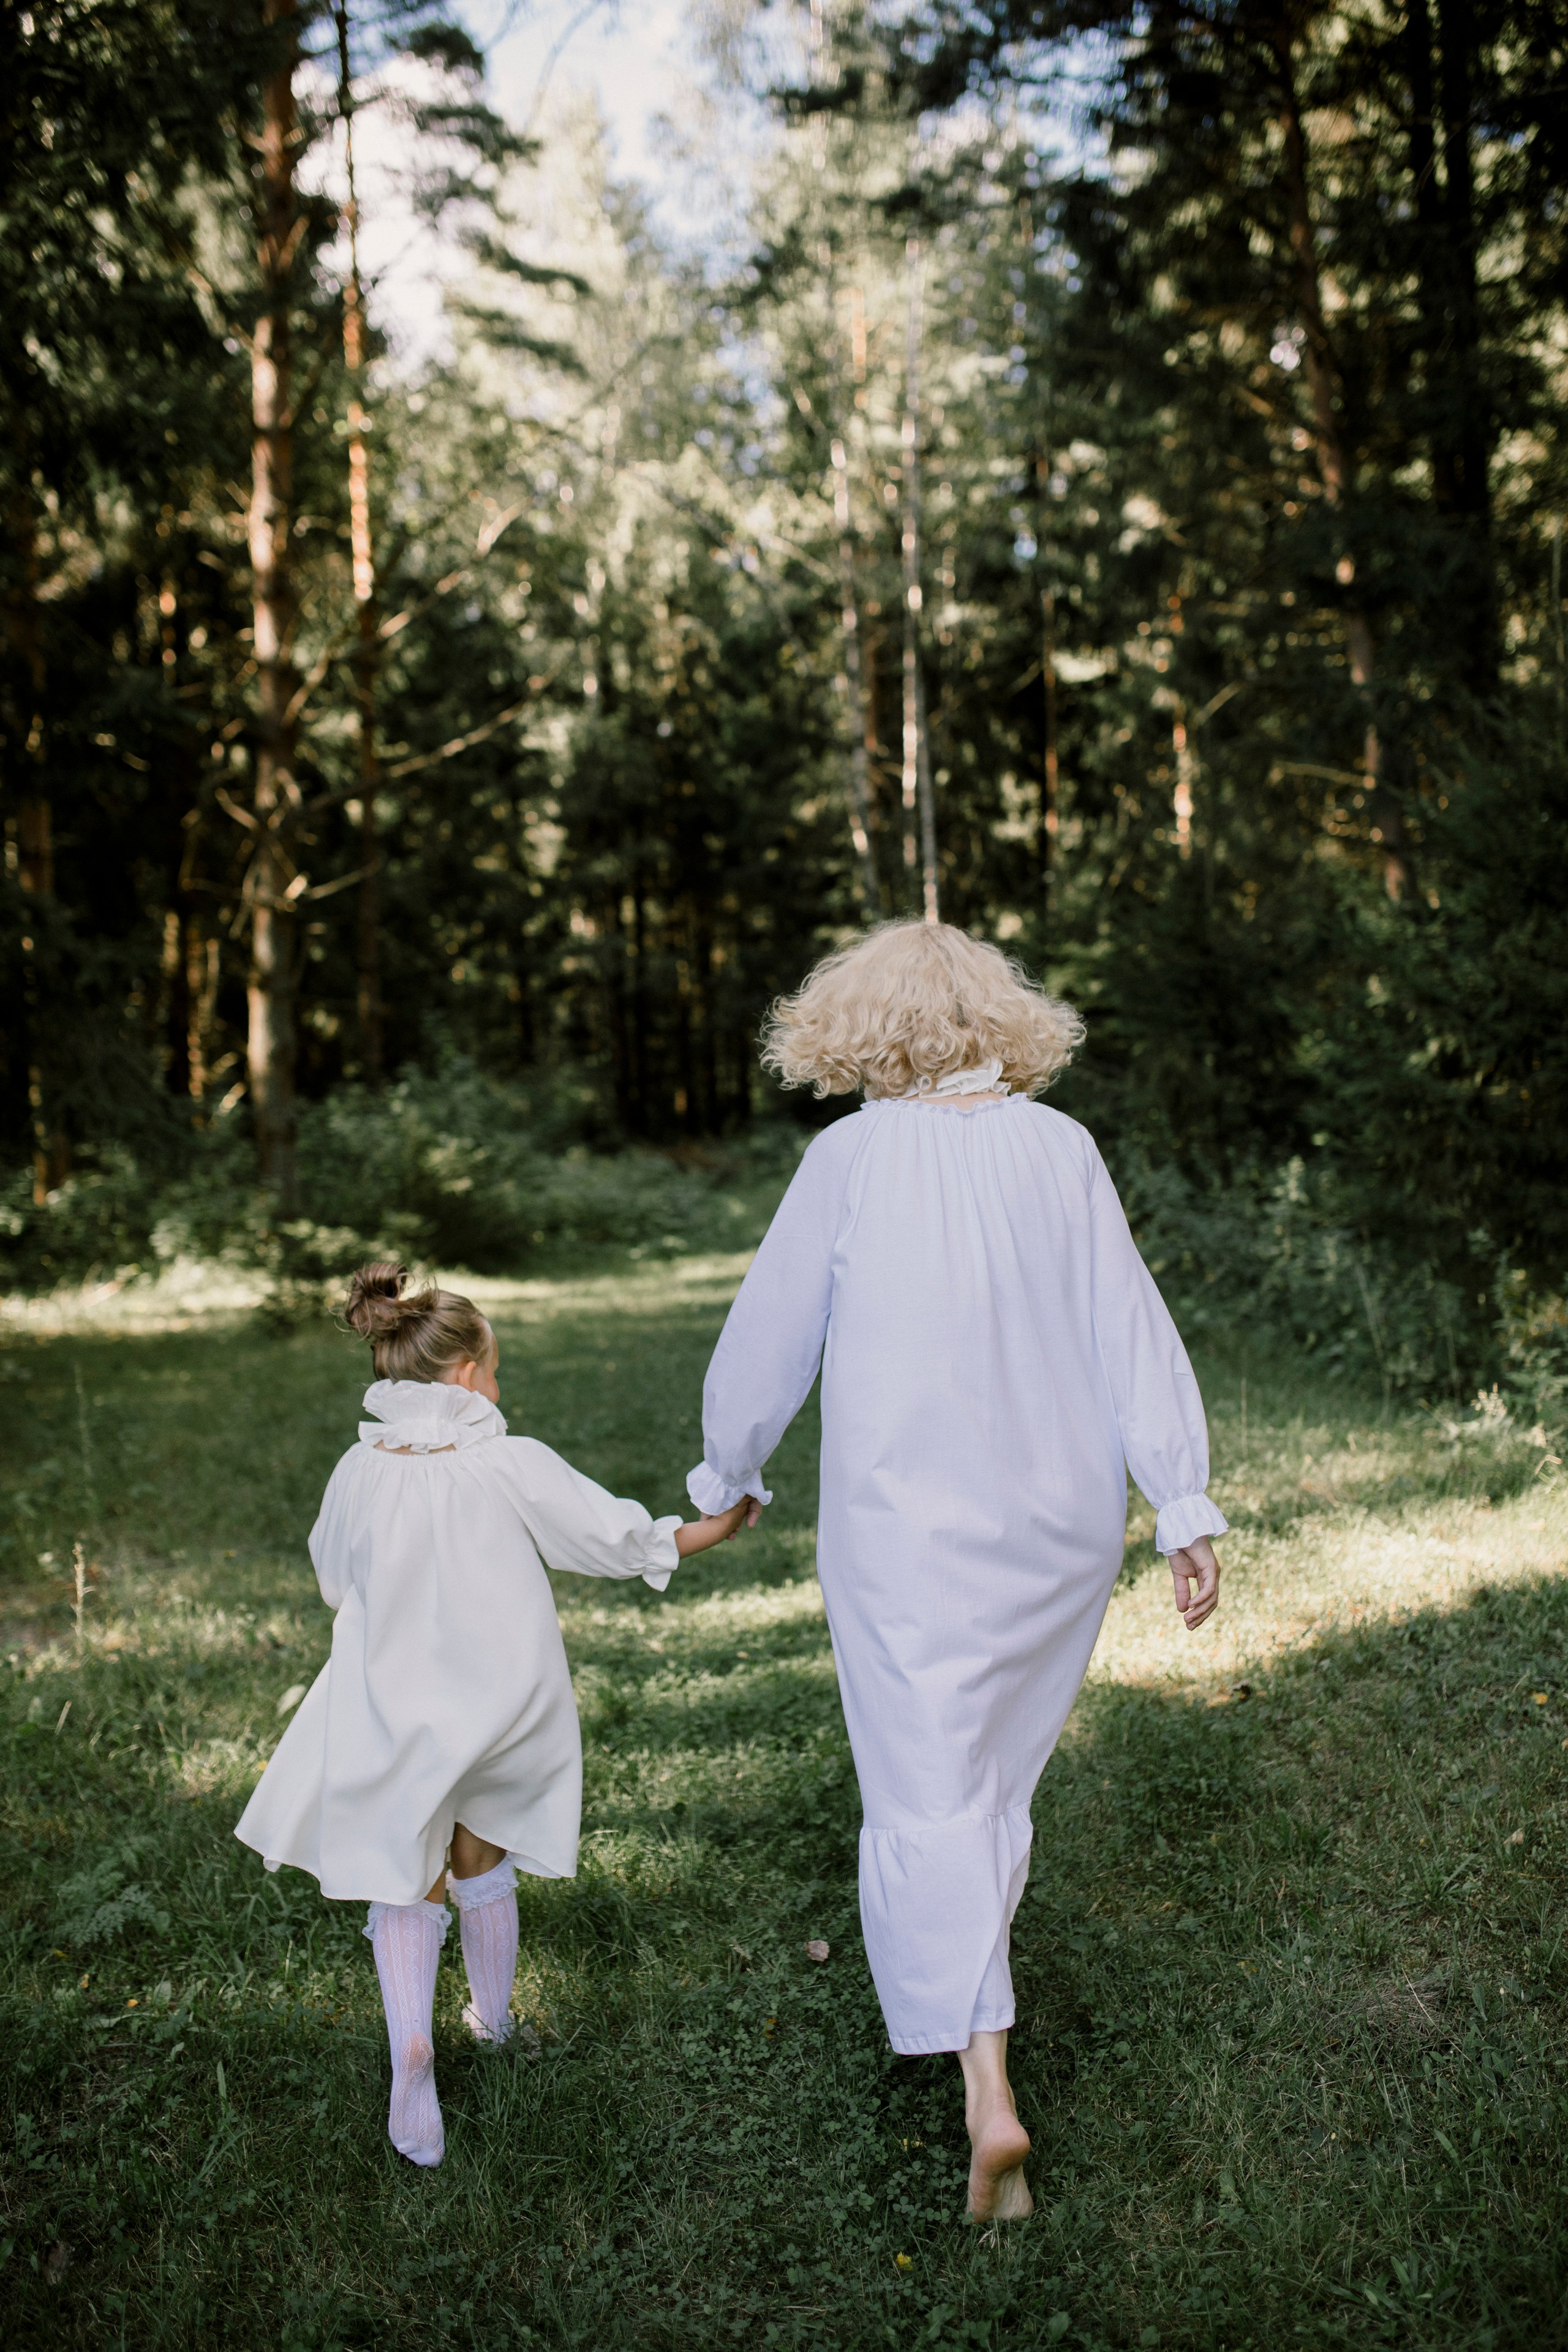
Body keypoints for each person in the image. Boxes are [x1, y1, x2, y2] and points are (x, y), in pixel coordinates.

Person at [685, 922, 1225, 2223]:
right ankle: (983, 2040)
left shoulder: (848, 1159)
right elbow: (1130, 1327)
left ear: (854, 1030)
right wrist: (1181, 1502)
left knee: (928, 1781)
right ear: (997, 1019)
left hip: (903, 1528)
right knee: (987, 1779)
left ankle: (988, 2092)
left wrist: (728, 1471)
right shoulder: (1060, 1146)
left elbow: (768, 1337)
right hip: (1055, 1522)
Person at [235, 1262, 753, 2169]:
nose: (499, 1388)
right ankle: (495, 2018)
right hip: (503, 1697)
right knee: (484, 1846)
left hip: (391, 1701)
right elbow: (606, 1535)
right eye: (498, 1371)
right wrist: (706, 1528)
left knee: (408, 1873)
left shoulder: (359, 1469)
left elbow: (332, 1572)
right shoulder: (509, 1461)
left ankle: (413, 2046)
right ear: (469, 1374)